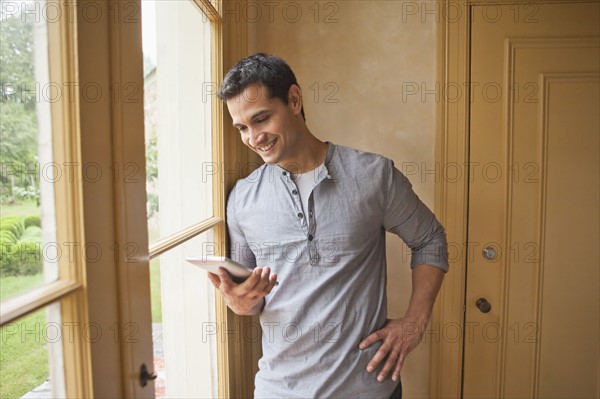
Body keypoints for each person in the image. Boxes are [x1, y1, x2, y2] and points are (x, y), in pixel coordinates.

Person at [208, 53, 448, 399]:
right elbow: (250, 296)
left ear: (294, 100)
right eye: (242, 128)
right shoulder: (242, 199)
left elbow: (430, 239)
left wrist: (414, 323)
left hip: (368, 390)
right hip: (280, 391)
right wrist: (239, 303)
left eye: (261, 119)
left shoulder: (373, 175)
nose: (253, 137)